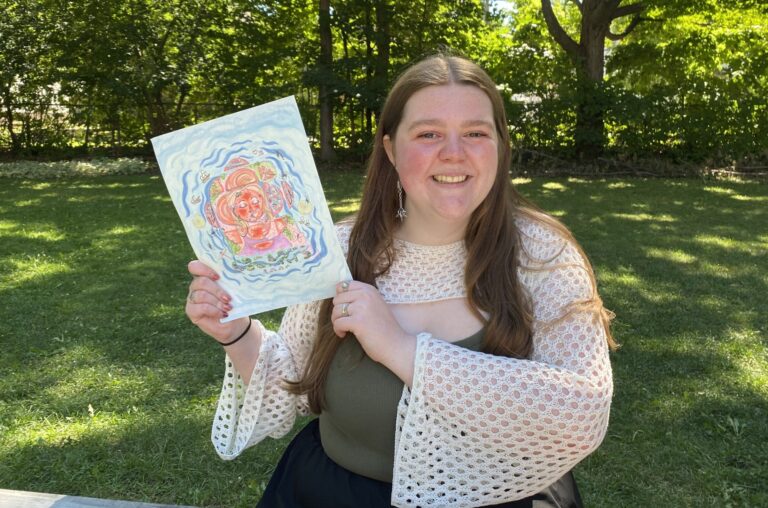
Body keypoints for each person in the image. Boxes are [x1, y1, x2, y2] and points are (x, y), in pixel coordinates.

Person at [184, 53, 616, 508]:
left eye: (476, 133)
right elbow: (292, 385)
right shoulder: (341, 248)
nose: (454, 152)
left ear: (500, 145)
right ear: (391, 150)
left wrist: (400, 348)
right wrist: (235, 332)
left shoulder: (544, 255)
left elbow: (583, 411)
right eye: (429, 134)